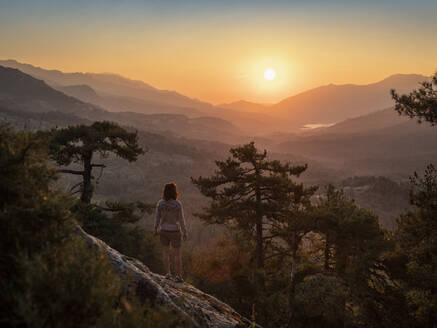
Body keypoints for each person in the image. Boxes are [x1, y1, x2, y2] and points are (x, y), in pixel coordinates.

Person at [154, 182, 188, 282]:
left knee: (165, 252)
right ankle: (178, 276)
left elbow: (157, 218)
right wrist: (185, 232)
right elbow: (181, 219)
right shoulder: (177, 204)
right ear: (175, 192)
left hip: (164, 230)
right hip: (175, 231)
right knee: (177, 254)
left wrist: (155, 229)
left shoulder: (160, 203)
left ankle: (168, 274)